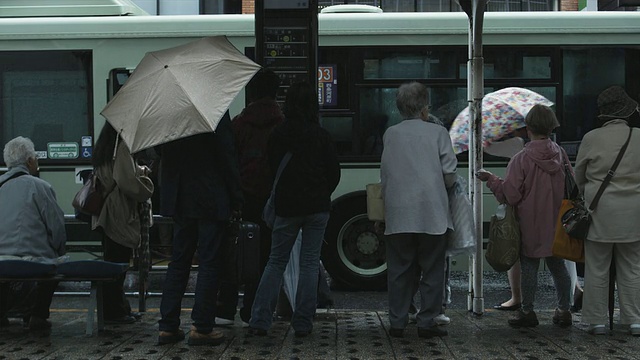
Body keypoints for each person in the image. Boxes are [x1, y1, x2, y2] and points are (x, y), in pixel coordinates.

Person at [248, 81, 340, 338]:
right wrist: (321, 192)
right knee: (309, 264)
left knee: (275, 262)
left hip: (287, 207)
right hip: (317, 207)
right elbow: (334, 173)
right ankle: (302, 323)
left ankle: (260, 320)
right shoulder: (321, 135)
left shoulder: (279, 133)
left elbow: (271, 168)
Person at [477, 104, 572, 328]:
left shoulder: (521, 159)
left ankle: (528, 312)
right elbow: (572, 184)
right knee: (558, 266)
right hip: (557, 221)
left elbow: (509, 195)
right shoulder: (561, 153)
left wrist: (490, 179)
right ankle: (564, 311)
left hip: (530, 222)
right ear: (551, 127)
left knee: (529, 266)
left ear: (528, 127)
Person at [156, 111, 243, 346]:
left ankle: (167, 326)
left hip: (179, 196)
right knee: (209, 262)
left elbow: (159, 151)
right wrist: (236, 197)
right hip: (210, 197)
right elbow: (227, 155)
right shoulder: (213, 110)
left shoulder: (168, 113)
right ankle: (202, 326)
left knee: (179, 261)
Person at [381, 82, 457, 339]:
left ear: (400, 107)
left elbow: (385, 174)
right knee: (433, 269)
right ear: (425, 107)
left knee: (399, 270)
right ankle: (426, 322)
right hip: (432, 212)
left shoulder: (390, 134)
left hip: (398, 212)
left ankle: (398, 322)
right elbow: (449, 175)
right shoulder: (438, 134)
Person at [216, 69, 284, 327]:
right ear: (276, 93)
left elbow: (227, 163)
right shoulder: (281, 125)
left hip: (240, 199)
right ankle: (252, 310)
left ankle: (225, 309)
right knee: (265, 257)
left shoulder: (238, 125)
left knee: (232, 253)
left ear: (251, 93)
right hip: (270, 202)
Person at [574, 86, 640, 336]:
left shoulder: (591, 138)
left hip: (599, 212)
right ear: (626, 111)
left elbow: (579, 177)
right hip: (634, 213)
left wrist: (588, 196)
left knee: (597, 268)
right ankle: (634, 321)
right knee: (633, 267)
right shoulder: (639, 136)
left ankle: (597, 321)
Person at [0, 136, 66, 330]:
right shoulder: (40, 187)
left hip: (1, 261)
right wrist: (59, 250)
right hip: (34, 261)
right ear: (29, 161)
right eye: (35, 157)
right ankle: (37, 315)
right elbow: (57, 228)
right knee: (55, 263)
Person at [91, 123, 154, 324]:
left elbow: (117, 173)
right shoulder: (122, 146)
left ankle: (118, 308)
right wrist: (147, 184)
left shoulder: (104, 148)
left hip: (106, 212)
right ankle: (115, 312)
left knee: (112, 261)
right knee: (118, 264)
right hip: (119, 212)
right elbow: (126, 180)